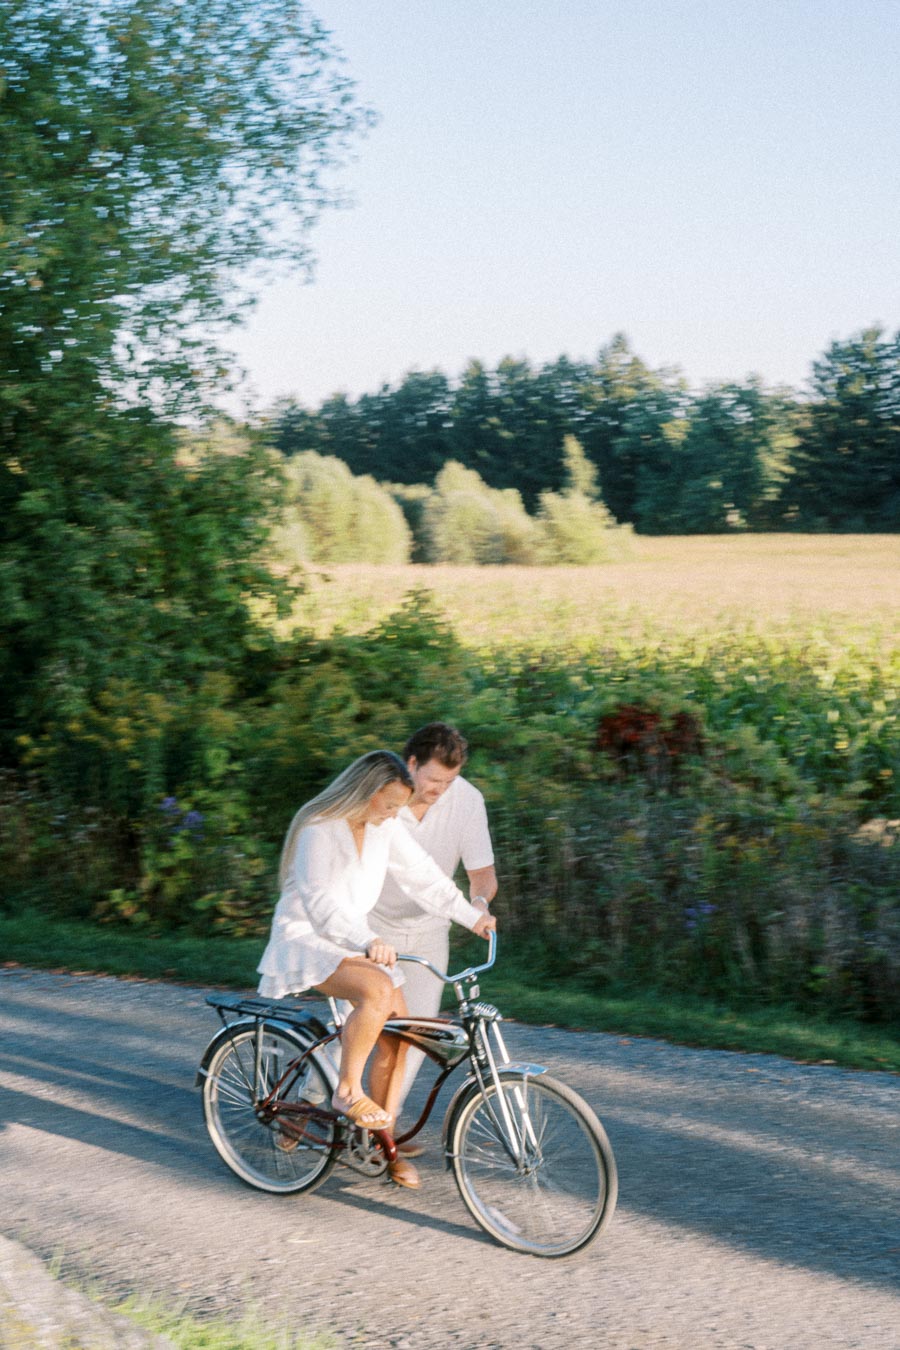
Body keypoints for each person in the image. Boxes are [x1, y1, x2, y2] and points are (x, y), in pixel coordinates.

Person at [256, 749, 495, 1190]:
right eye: (388, 805)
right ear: (364, 794)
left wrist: (472, 916)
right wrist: (366, 940)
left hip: (353, 941)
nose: (393, 816)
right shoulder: (318, 830)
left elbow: (423, 876)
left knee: (399, 1039)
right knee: (378, 992)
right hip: (307, 938)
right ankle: (347, 1090)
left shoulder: (384, 826)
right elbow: (319, 903)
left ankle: (380, 1148)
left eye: (398, 807)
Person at [368, 723, 497, 1140]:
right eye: (435, 779)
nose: (442, 789)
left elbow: (482, 874)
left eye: (451, 780)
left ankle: (381, 1129)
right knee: (363, 1024)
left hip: (429, 928)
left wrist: (478, 906)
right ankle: (313, 1102)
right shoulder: (384, 796)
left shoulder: (467, 800)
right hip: (371, 926)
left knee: (416, 1033)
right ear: (411, 764)